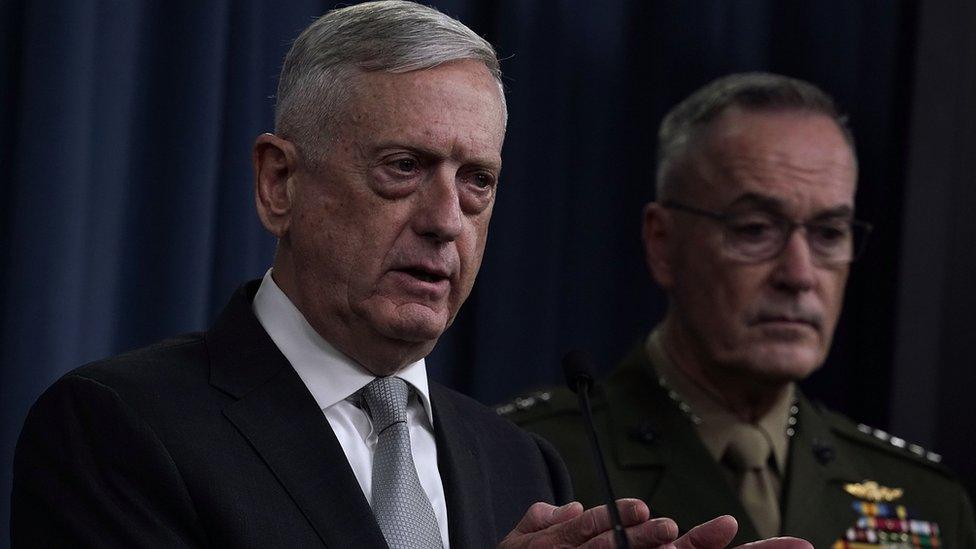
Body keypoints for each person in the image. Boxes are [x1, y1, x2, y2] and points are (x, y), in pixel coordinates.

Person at [11, 3, 810, 548]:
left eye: (478, 181)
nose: (445, 218)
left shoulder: (520, 463)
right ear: (279, 183)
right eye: (403, 167)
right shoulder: (118, 429)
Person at [507, 73, 976, 548]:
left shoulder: (925, 498)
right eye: (755, 229)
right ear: (663, 244)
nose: (799, 274)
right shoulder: (531, 461)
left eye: (829, 233)